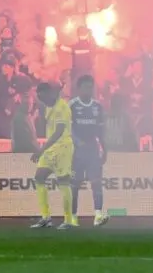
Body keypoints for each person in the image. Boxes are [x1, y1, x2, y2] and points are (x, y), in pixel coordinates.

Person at [30, 81, 76, 230]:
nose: (41, 100)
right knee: (39, 177)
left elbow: (59, 131)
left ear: (50, 93)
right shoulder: (48, 106)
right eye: (39, 97)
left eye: (42, 96)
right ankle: (46, 218)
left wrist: (41, 150)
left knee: (63, 181)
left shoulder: (62, 107)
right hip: (51, 149)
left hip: (63, 147)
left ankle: (68, 220)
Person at [70, 74, 109, 226]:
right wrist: (78, 143)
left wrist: (104, 149)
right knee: (74, 184)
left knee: (96, 183)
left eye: (91, 87)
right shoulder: (72, 105)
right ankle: (73, 217)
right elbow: (69, 129)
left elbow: (101, 131)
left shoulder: (97, 106)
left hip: (93, 150)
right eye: (86, 87)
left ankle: (98, 215)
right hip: (77, 152)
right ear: (79, 89)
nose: (89, 90)